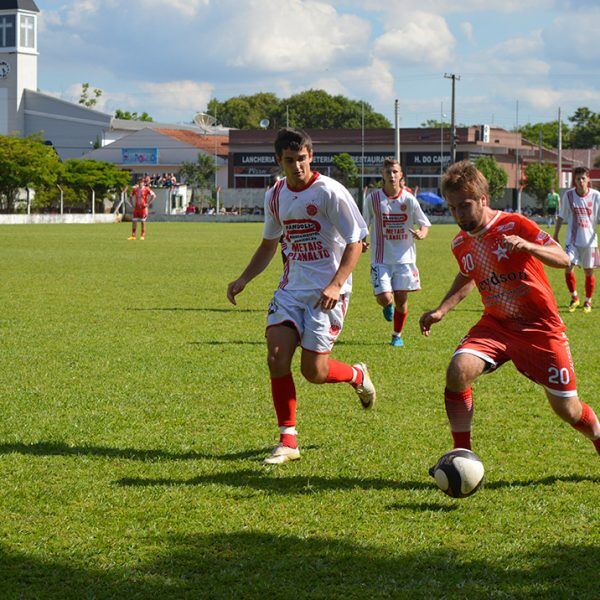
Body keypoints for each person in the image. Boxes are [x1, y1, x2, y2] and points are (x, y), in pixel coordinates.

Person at [419, 161, 600, 460]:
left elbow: (562, 258)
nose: (458, 214)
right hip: (497, 325)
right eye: (452, 208)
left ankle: (597, 435)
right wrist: (442, 309)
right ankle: (462, 454)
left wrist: (529, 247)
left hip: (540, 328)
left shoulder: (514, 224)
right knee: (458, 371)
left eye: (464, 205)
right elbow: (469, 274)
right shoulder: (460, 243)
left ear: (483, 200)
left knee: (569, 410)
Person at [226, 127, 375, 465]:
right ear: (279, 161)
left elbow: (356, 242)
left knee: (314, 371)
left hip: (328, 294)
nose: (297, 166)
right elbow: (269, 244)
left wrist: (336, 285)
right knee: (276, 358)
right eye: (290, 160)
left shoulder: (329, 192)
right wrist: (244, 278)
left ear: (311, 156)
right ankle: (288, 439)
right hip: (291, 290)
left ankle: (358, 376)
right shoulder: (275, 195)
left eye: (302, 159)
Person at [363, 158, 431, 346]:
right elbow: (364, 223)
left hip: (404, 258)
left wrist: (421, 234)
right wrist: (362, 241)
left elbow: (424, 224)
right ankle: (387, 305)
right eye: (388, 172)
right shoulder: (373, 199)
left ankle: (397, 335)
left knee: (401, 297)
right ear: (382, 175)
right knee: (385, 298)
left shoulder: (409, 199)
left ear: (401, 175)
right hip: (380, 258)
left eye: (395, 172)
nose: (391, 175)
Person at [552, 167, 600, 314]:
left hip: (589, 242)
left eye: (583, 178)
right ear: (574, 180)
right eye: (578, 179)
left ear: (588, 180)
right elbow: (561, 216)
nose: (580, 181)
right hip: (572, 240)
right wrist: (555, 234)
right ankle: (574, 298)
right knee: (568, 266)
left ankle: (588, 301)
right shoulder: (569, 196)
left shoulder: (596, 196)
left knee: (588, 271)